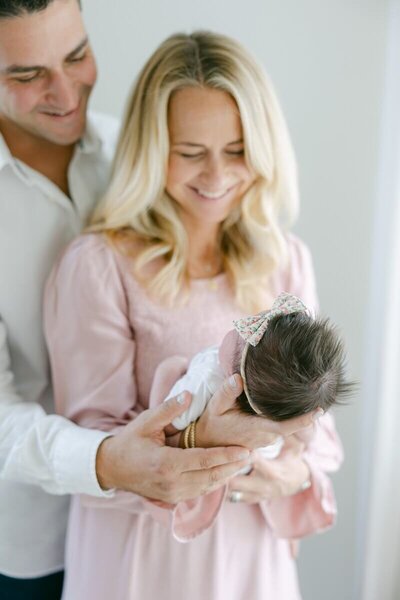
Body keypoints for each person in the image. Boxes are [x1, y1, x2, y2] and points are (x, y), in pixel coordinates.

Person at [1, 4, 297, 597]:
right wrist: (110, 460)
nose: (64, 91)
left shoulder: (140, 145)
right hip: (29, 530)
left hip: (204, 547)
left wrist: (286, 466)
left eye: (77, 55)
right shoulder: (100, 254)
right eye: (26, 74)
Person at [154, 292, 352, 458]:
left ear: (235, 379)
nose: (241, 324)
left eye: (241, 331)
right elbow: (309, 437)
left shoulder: (206, 380)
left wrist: (191, 437)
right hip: (260, 458)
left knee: (170, 367)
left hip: (214, 458)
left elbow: (166, 428)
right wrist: (304, 426)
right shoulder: (280, 418)